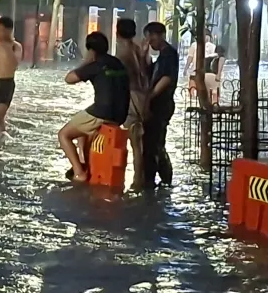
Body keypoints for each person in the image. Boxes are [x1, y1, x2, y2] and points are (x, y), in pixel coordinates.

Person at [60, 31, 130, 183]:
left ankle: (79, 173)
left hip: (102, 112)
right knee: (81, 130)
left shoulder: (95, 65)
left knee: (64, 135)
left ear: (91, 50)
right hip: (121, 115)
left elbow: (69, 79)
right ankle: (85, 164)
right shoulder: (117, 63)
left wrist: (86, 62)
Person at [114, 18, 151, 191]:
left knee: (135, 143)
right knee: (139, 142)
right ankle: (140, 177)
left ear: (117, 32)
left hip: (131, 98)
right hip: (143, 97)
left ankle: (137, 181)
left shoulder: (122, 52)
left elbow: (120, 80)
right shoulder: (138, 50)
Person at [143, 21, 179, 188]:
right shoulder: (161, 57)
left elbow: (166, 79)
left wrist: (150, 96)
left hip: (162, 105)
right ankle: (154, 178)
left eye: (151, 38)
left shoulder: (168, 55)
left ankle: (165, 178)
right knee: (152, 142)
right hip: (158, 104)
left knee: (156, 143)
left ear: (159, 36)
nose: (150, 42)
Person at [185, 30, 216, 98]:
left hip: (206, 73)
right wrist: (186, 68)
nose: (207, 38)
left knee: (205, 90)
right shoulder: (194, 45)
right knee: (192, 88)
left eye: (208, 36)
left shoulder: (212, 46)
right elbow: (190, 57)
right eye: (205, 36)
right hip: (194, 72)